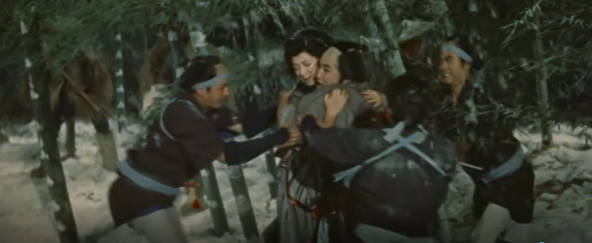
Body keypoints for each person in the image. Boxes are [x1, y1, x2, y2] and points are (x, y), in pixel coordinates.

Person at [108, 55, 300, 243]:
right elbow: (230, 155)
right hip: (137, 195)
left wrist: (281, 108)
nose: (227, 93)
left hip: (157, 196)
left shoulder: (207, 108)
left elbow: (244, 126)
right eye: (222, 87)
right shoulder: (183, 113)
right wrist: (279, 136)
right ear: (201, 91)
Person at [435, 35, 534, 243]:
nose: (442, 65)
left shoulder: (484, 98)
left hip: (511, 180)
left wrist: (466, 144)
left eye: (449, 59)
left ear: (466, 65)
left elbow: (491, 136)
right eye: (440, 59)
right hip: (484, 184)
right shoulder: (442, 101)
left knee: (483, 238)